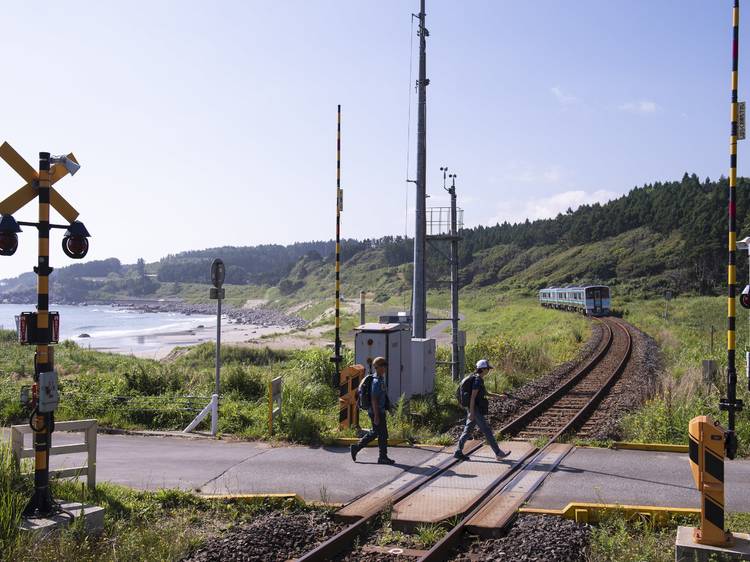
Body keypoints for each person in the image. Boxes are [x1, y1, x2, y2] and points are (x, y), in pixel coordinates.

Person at [455, 359, 509, 461]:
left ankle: (458, 452)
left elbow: (485, 393)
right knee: (487, 430)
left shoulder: (478, 379)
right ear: (483, 369)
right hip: (474, 409)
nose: (488, 370)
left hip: (473, 408)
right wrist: (471, 412)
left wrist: (499, 396)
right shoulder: (477, 380)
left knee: (468, 431)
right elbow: (473, 397)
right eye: (487, 368)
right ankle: (498, 453)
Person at [350, 356, 395, 465]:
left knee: (378, 433)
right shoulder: (376, 381)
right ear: (377, 367)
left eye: (385, 366)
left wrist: (388, 407)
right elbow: (374, 399)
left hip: (379, 411)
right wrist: (376, 415)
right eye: (383, 366)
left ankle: (359, 448)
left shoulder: (380, 379)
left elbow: (383, 396)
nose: (385, 368)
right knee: (382, 434)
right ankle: (381, 456)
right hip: (376, 411)